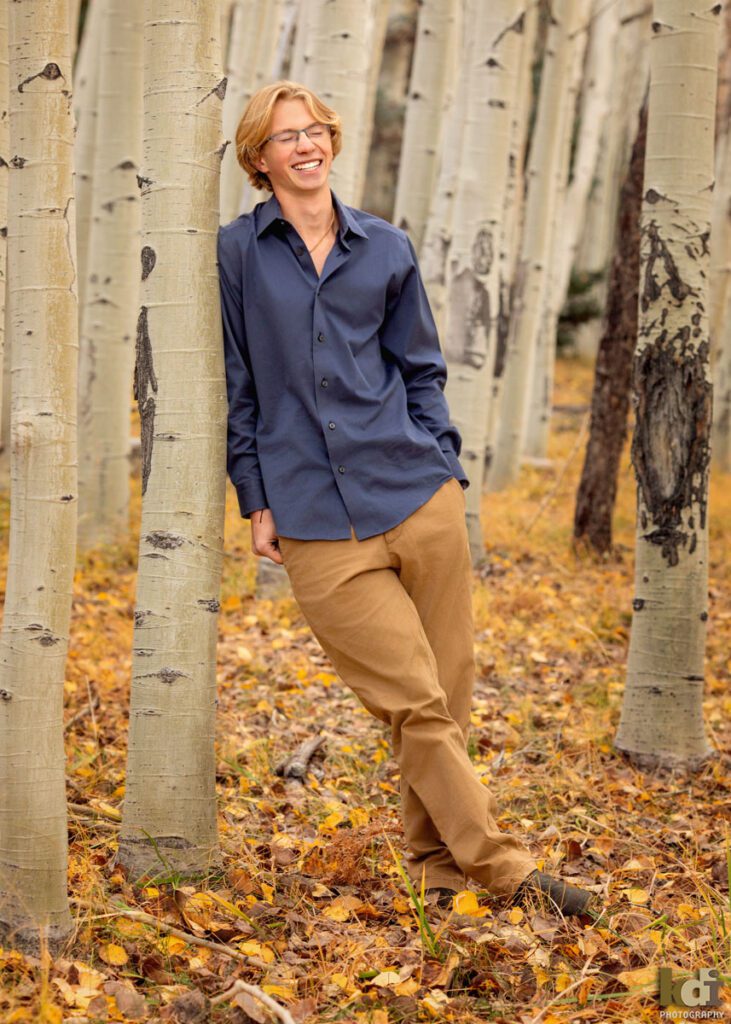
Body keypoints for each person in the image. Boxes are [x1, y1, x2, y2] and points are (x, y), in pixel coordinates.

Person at [217, 80, 594, 916]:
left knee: (446, 699)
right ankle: (507, 871)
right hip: (315, 516)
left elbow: (420, 368)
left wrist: (444, 468)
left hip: (415, 492)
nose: (306, 144)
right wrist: (255, 498)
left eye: (316, 130)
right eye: (286, 136)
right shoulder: (236, 254)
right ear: (258, 158)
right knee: (410, 700)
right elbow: (240, 386)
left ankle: (434, 866)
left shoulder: (385, 246)